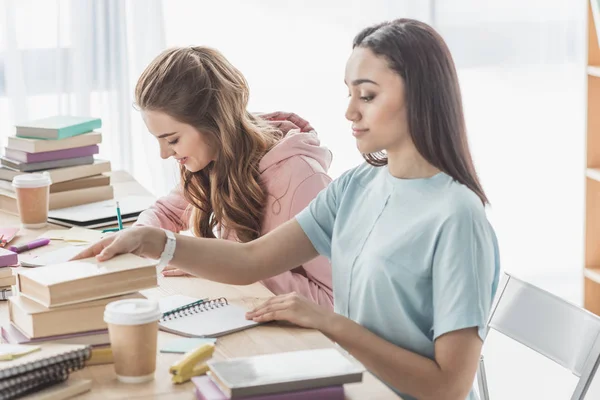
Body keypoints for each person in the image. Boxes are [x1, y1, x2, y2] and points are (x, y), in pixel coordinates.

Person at [75, 19, 499, 400]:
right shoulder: (357, 186)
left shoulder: (457, 218)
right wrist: (155, 241)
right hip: (346, 380)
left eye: (366, 95)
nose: (349, 111)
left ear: (420, 98)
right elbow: (251, 260)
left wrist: (329, 323)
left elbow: (448, 387)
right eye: (348, 93)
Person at [130, 46, 334, 308]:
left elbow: (334, 301)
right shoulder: (210, 159)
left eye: (172, 139)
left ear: (213, 123)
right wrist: (133, 239)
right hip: (246, 311)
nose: (163, 154)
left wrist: (226, 265)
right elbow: (166, 212)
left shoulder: (303, 178)